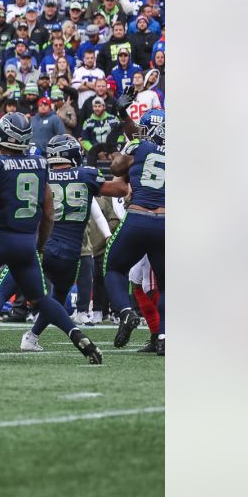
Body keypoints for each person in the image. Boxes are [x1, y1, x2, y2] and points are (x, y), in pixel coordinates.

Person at [0, 113, 103, 364]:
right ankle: (78, 337)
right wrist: (39, 244)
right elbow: (49, 212)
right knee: (41, 298)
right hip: (26, 242)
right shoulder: (41, 163)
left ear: (2, 135)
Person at [0, 135, 130, 352]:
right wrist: (130, 164)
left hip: (39, 243)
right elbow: (120, 189)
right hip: (71, 251)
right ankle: (32, 337)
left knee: (5, 287)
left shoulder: (39, 172)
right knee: (56, 296)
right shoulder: (85, 174)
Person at [103, 109, 166, 354]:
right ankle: (163, 336)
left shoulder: (140, 145)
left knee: (114, 267)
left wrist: (131, 144)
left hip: (138, 217)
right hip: (167, 221)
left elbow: (117, 168)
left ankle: (126, 312)